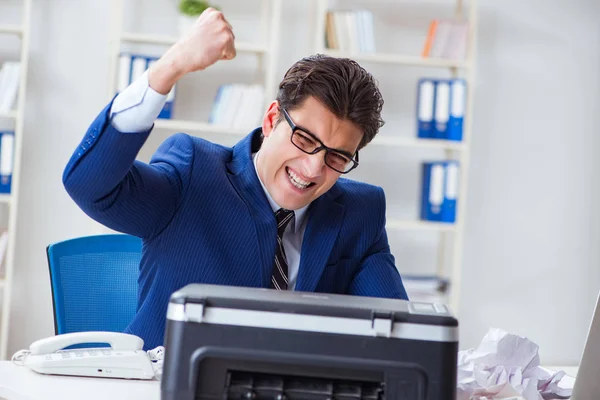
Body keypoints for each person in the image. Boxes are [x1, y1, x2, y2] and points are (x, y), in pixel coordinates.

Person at [63, 8, 408, 350]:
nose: (313, 168)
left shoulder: (360, 213)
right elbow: (90, 186)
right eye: (304, 139)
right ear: (272, 119)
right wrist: (171, 67)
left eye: (337, 156)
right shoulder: (193, 172)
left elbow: (404, 338)